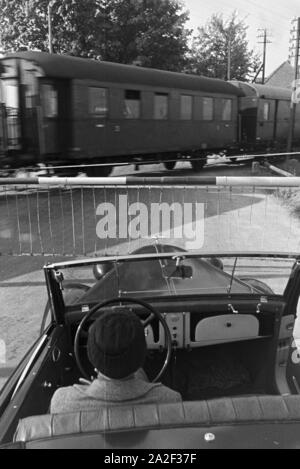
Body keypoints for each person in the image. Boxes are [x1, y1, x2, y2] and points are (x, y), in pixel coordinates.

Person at [50, 309, 181, 413]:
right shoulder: (170, 400)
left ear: (91, 355)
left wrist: (92, 388)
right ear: (142, 354)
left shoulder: (62, 402)